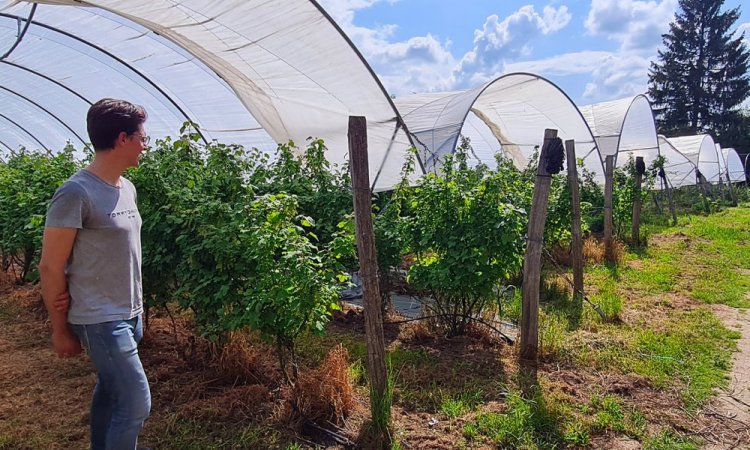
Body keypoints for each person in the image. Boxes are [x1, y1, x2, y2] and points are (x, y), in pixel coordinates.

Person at [39, 98, 151, 450]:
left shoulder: (126, 188)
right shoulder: (76, 193)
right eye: (141, 137)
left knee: (112, 394)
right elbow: (50, 265)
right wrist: (60, 329)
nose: (145, 145)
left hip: (130, 314)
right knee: (135, 403)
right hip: (101, 319)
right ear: (122, 138)